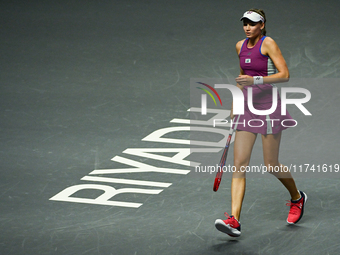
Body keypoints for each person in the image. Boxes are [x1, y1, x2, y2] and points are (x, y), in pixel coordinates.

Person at [214, 9, 307, 237]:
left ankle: (297, 197)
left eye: (253, 24)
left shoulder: (268, 44)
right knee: (239, 164)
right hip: (248, 108)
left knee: (271, 164)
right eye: (245, 23)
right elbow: (241, 77)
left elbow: (284, 74)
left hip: (269, 107)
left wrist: (255, 79)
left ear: (262, 25)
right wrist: (236, 103)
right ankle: (234, 220)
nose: (248, 27)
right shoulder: (240, 46)